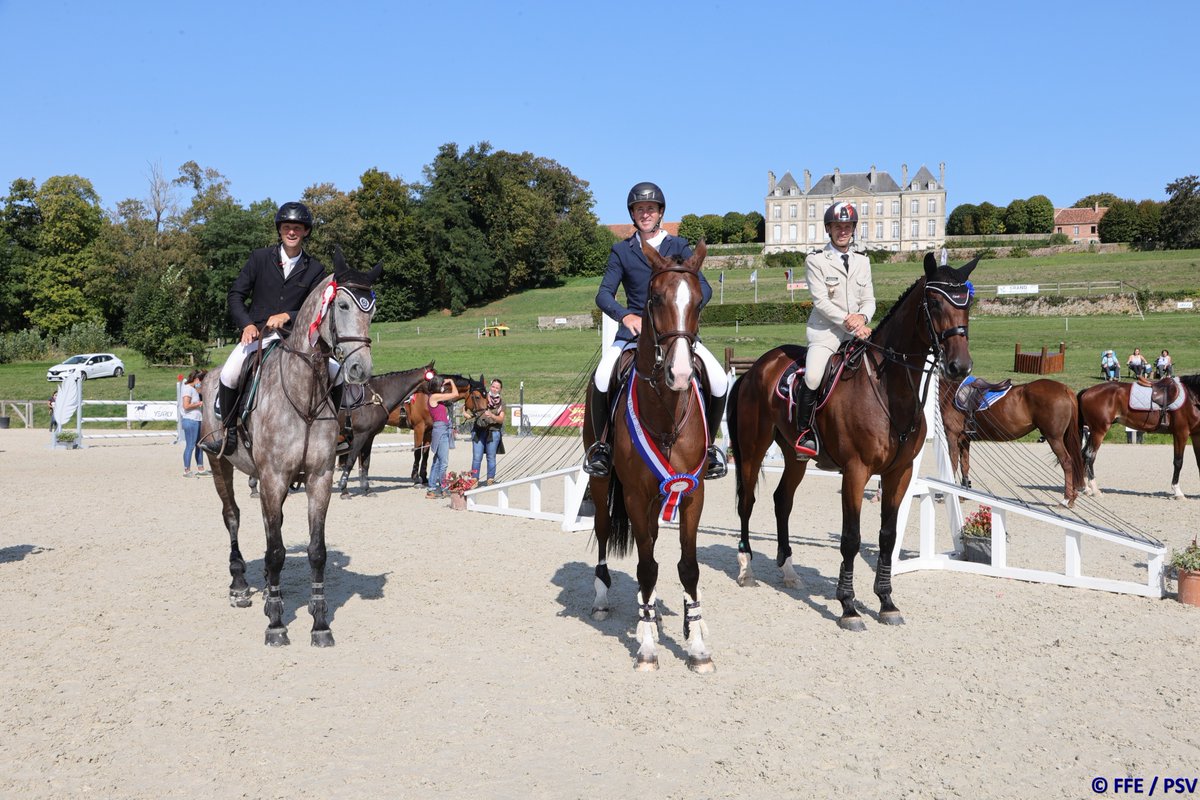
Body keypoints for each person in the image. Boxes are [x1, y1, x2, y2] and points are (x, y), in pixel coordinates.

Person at [584, 181, 728, 480]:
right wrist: (626, 317)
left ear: (660, 212)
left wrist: (682, 319)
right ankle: (601, 448)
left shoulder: (679, 246)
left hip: (676, 333)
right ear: (633, 214)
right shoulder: (622, 251)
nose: (645, 213)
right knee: (601, 376)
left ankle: (710, 448)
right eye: (640, 209)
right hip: (634, 333)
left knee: (717, 379)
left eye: (650, 208)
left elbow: (705, 288)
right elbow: (604, 295)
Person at [201, 202, 331, 455]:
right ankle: (228, 434)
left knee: (335, 371)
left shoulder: (316, 269)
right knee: (228, 373)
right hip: (258, 335)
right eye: (286, 227)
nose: (291, 232)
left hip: (296, 338)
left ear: (306, 232)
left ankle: (336, 432)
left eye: (297, 228)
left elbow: (318, 307)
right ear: (280, 231)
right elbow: (235, 295)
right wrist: (247, 324)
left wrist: (288, 315)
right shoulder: (259, 258)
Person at [794, 201, 876, 459]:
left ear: (853, 229)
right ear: (829, 229)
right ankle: (804, 433)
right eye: (838, 226)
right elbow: (821, 302)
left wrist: (862, 317)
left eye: (848, 226)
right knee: (814, 376)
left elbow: (870, 300)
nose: (843, 231)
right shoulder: (816, 260)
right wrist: (850, 322)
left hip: (858, 331)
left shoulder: (863, 261)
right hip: (826, 333)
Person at [426, 377, 462, 499]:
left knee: (437, 461)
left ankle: (431, 487)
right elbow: (455, 394)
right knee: (444, 463)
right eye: (441, 385)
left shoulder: (436, 397)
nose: (443, 386)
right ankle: (443, 487)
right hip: (441, 431)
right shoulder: (434, 397)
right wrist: (451, 382)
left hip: (443, 429)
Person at [471, 378, 505, 485]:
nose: (494, 389)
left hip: (493, 431)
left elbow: (501, 419)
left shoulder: (502, 403)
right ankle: (474, 478)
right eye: (493, 386)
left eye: (497, 387)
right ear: (490, 387)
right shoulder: (483, 397)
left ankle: (490, 479)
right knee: (477, 457)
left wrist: (492, 416)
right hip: (479, 430)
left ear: (500, 390)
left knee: (491, 457)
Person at [180, 370, 209, 476]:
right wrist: (199, 403)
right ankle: (186, 470)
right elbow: (186, 406)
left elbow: (200, 391)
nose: (201, 384)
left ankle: (200, 468)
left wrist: (199, 389)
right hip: (190, 420)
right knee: (190, 446)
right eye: (201, 382)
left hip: (196, 419)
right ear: (197, 380)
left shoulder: (193, 389)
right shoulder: (187, 389)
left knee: (199, 445)